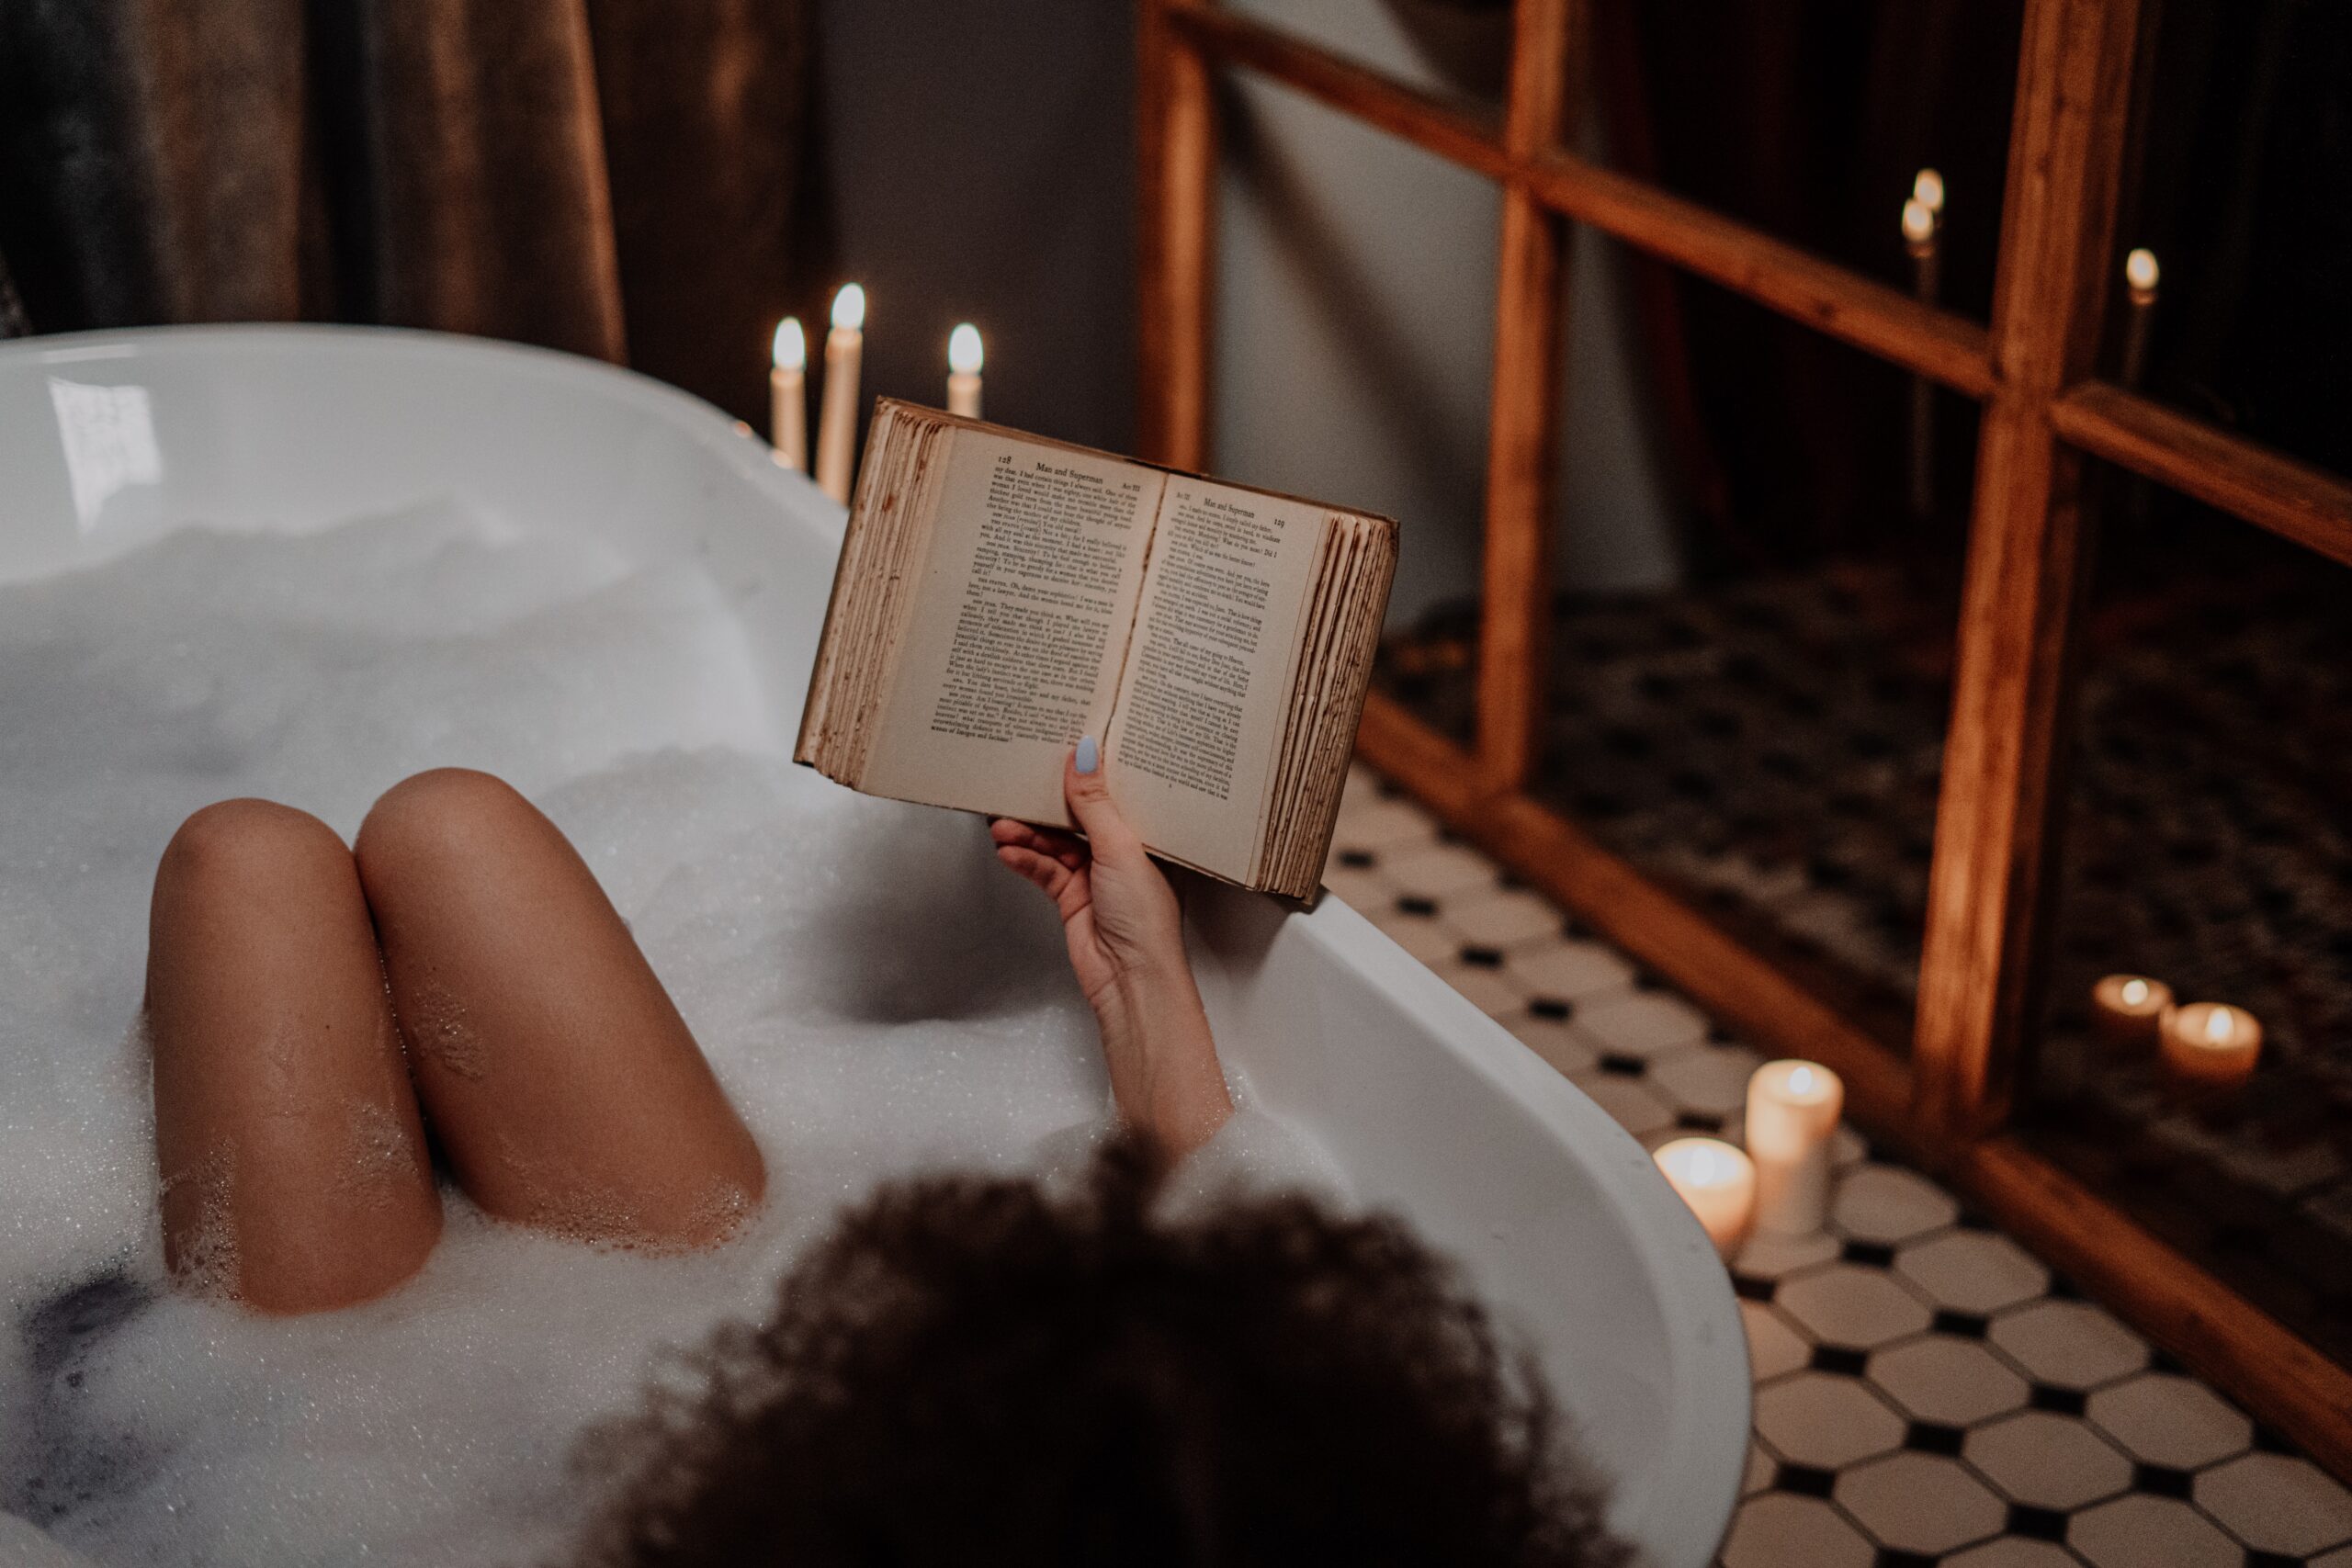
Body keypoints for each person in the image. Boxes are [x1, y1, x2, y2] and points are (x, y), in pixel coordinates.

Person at [144, 739, 1626, 1563]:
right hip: (716, 1339)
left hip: (359, 1482)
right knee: (448, 823)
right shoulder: (1286, 1493)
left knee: (240, 863)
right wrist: (1141, 981)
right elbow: (1244, 1326)